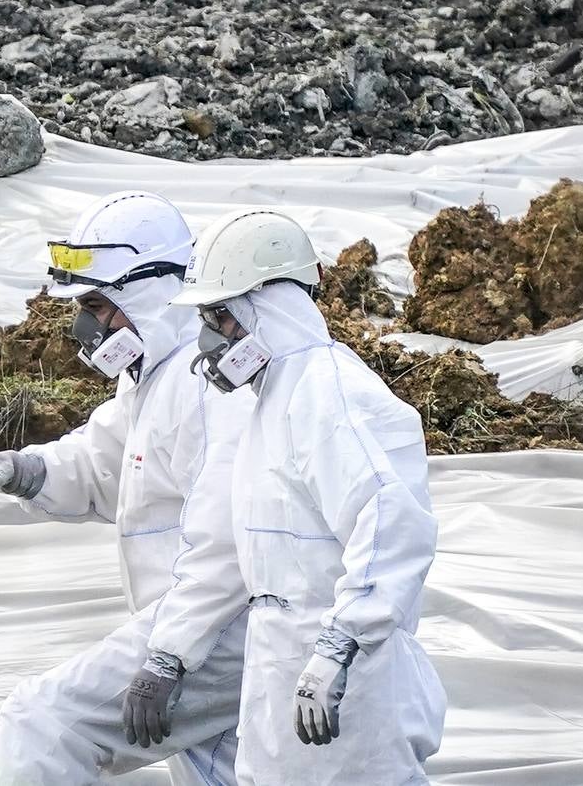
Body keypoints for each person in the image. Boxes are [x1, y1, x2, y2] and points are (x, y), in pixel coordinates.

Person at [0, 191, 252, 786]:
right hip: (201, 626)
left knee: (42, 725)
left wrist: (170, 655)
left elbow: (232, 542)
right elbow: (102, 463)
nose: (85, 326)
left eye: (97, 304)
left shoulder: (208, 390)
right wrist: (24, 469)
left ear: (148, 293)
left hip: (217, 627)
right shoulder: (155, 379)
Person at [169, 209, 446, 785]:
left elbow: (389, 515)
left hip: (346, 678)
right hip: (281, 667)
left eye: (220, 317)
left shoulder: (329, 392)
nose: (209, 339)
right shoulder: (272, 399)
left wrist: (340, 645)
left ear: (267, 308)